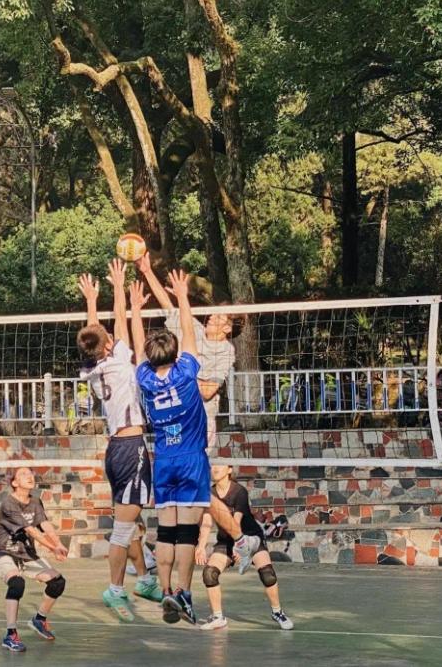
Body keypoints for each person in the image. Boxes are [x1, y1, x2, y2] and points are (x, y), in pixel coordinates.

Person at [77, 259, 163, 622]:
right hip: (131, 449)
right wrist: (118, 289)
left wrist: (91, 301)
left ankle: (144, 579)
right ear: (109, 345)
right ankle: (115, 589)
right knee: (124, 529)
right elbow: (119, 326)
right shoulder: (121, 364)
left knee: (134, 522)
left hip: (114, 450)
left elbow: (94, 335)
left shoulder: (93, 368)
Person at [129, 270, 212, 626]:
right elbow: (190, 334)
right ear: (176, 354)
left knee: (165, 532)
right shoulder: (186, 373)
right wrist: (182, 296)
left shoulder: (145, 379)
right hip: (191, 460)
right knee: (187, 534)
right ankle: (184, 594)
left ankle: (164, 590)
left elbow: (138, 348)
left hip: (163, 461)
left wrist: (135, 309)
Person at [137, 253, 236, 448]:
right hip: (175, 417)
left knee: (197, 465)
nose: (211, 318)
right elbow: (168, 306)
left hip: (200, 419)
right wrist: (147, 271)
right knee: (171, 461)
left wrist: (180, 375)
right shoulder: (195, 329)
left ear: (227, 328)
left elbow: (207, 392)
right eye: (213, 314)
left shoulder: (226, 351)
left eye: (218, 317)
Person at [197, 465, 294, 632]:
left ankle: (277, 612)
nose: (215, 468)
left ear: (229, 469)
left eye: (220, 465)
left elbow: (236, 521)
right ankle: (218, 617)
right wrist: (200, 545)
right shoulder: (210, 493)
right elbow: (206, 522)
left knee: (267, 574)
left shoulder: (239, 491)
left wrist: (239, 547)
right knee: (209, 573)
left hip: (250, 537)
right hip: (226, 541)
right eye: (213, 465)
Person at [0, 466, 69, 652]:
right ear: (15, 483)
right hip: (2, 552)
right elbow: (31, 530)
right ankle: (10, 635)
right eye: (23, 474)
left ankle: (39, 619)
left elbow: (44, 525)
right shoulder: (9, 503)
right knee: (17, 583)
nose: (30, 476)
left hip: (25, 554)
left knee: (57, 582)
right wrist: (52, 548)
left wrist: (58, 543)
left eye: (31, 473)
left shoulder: (35, 502)